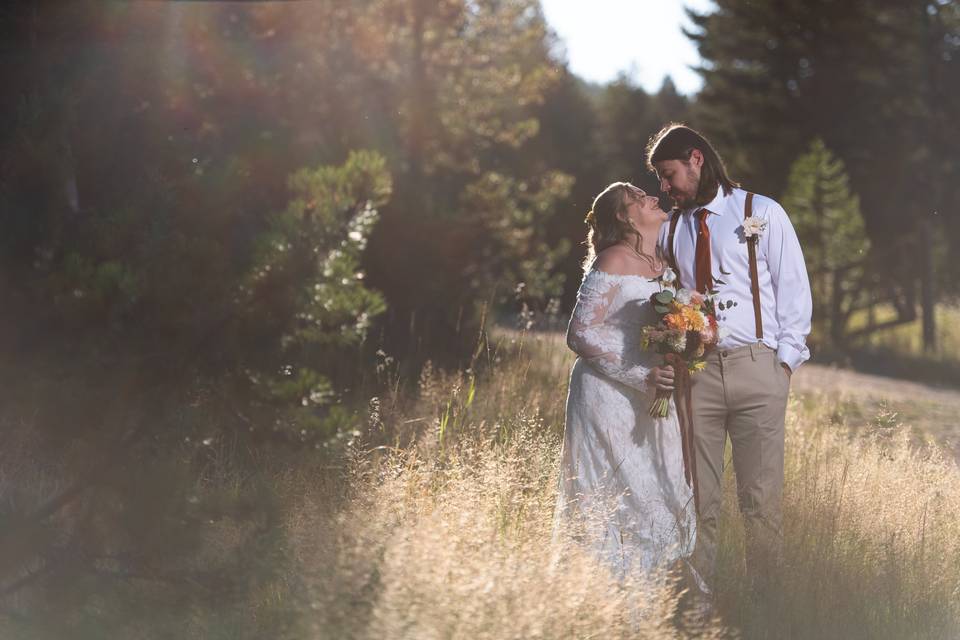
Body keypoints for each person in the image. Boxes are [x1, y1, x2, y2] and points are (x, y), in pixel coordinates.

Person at [647, 123, 812, 603]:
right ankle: (697, 606)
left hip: (758, 368)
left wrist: (783, 364)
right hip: (696, 375)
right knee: (699, 499)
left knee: (760, 501)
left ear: (696, 160)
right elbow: (660, 296)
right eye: (660, 177)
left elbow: (793, 289)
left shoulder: (760, 212)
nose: (665, 186)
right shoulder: (672, 229)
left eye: (669, 174)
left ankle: (765, 607)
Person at [555, 181, 696, 581]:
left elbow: (668, 327)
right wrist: (641, 375)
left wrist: (688, 346)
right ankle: (604, 593)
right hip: (608, 395)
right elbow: (579, 334)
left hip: (655, 393)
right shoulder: (613, 259)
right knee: (616, 493)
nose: (651, 197)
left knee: (661, 487)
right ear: (624, 216)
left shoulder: (664, 267)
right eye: (638, 197)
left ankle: (657, 595)